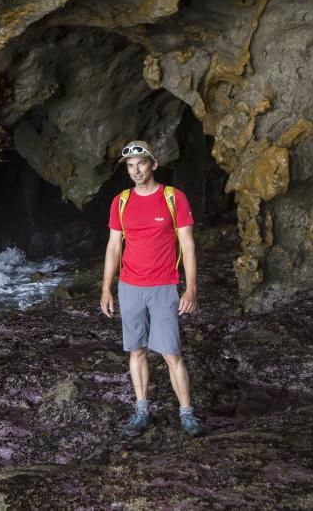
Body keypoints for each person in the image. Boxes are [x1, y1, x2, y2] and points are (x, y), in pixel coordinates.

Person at [99, 140, 204, 437]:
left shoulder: (173, 198)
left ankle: (187, 414)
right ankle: (141, 410)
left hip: (164, 286)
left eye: (141, 164)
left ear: (153, 165)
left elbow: (188, 244)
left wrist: (191, 288)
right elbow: (113, 248)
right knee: (137, 351)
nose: (136, 171)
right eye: (131, 166)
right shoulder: (120, 202)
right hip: (130, 287)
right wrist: (107, 288)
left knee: (171, 354)